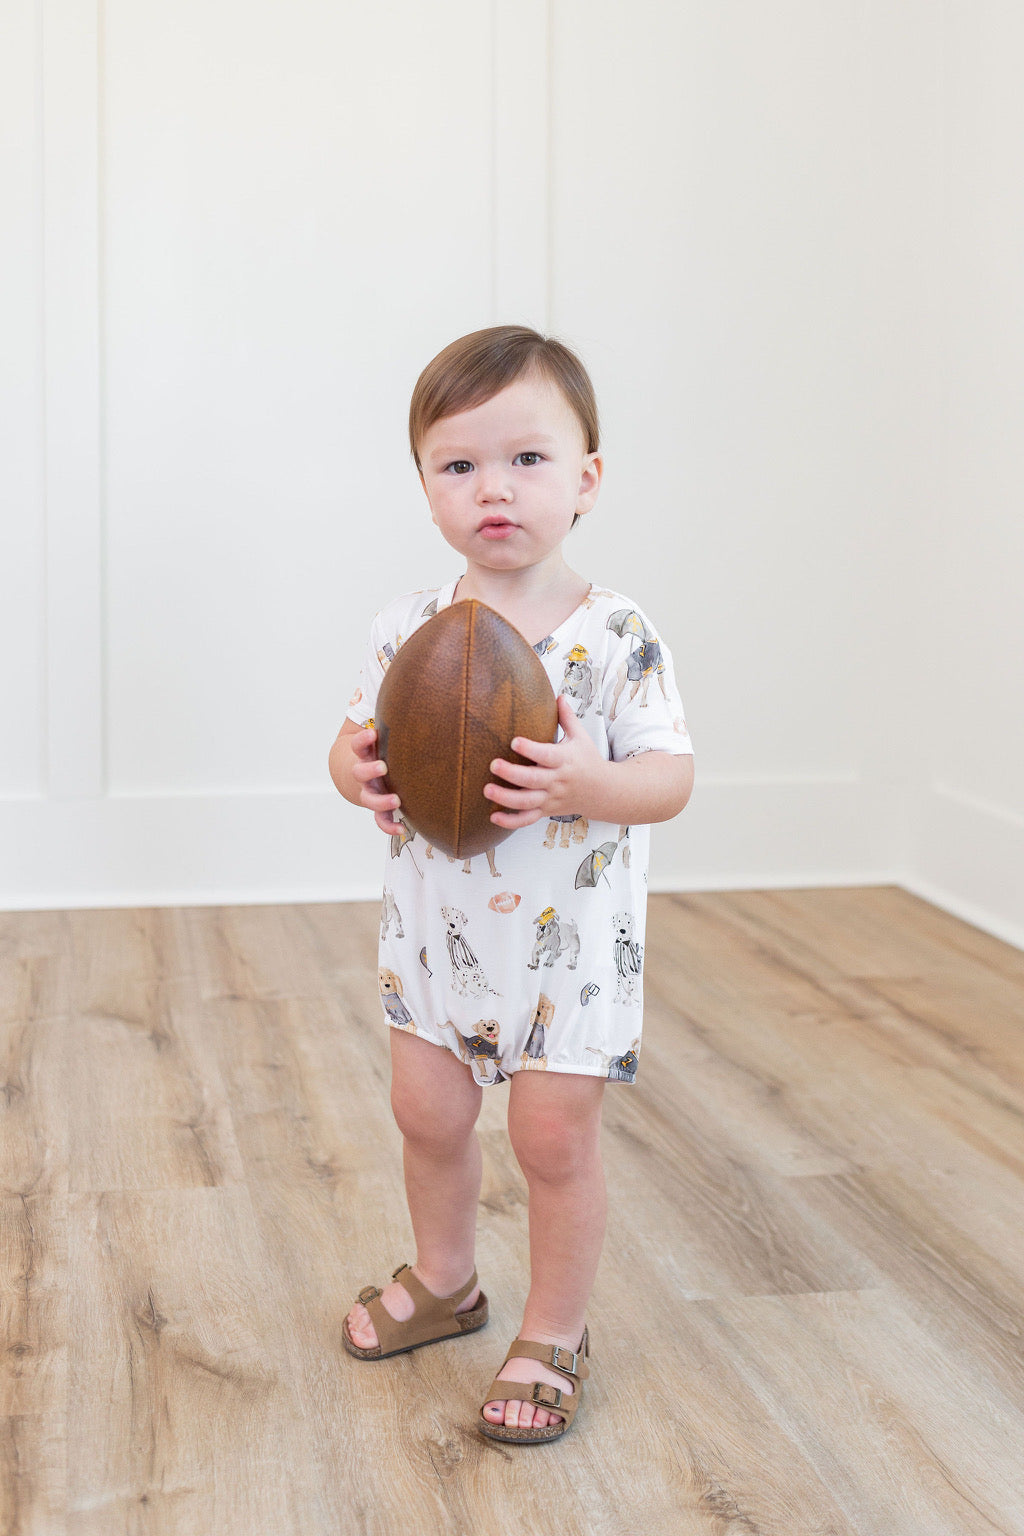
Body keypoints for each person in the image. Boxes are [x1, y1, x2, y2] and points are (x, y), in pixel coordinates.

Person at [328, 325, 694, 1444]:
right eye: (459, 464)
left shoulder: (617, 634)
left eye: (527, 460)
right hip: (436, 939)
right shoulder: (412, 628)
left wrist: (590, 779)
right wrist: (355, 772)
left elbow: (671, 778)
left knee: (550, 1142)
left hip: (565, 953)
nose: (494, 488)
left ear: (585, 479)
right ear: (427, 487)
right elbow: (353, 746)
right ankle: (448, 1280)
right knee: (424, 1111)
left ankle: (553, 1327)